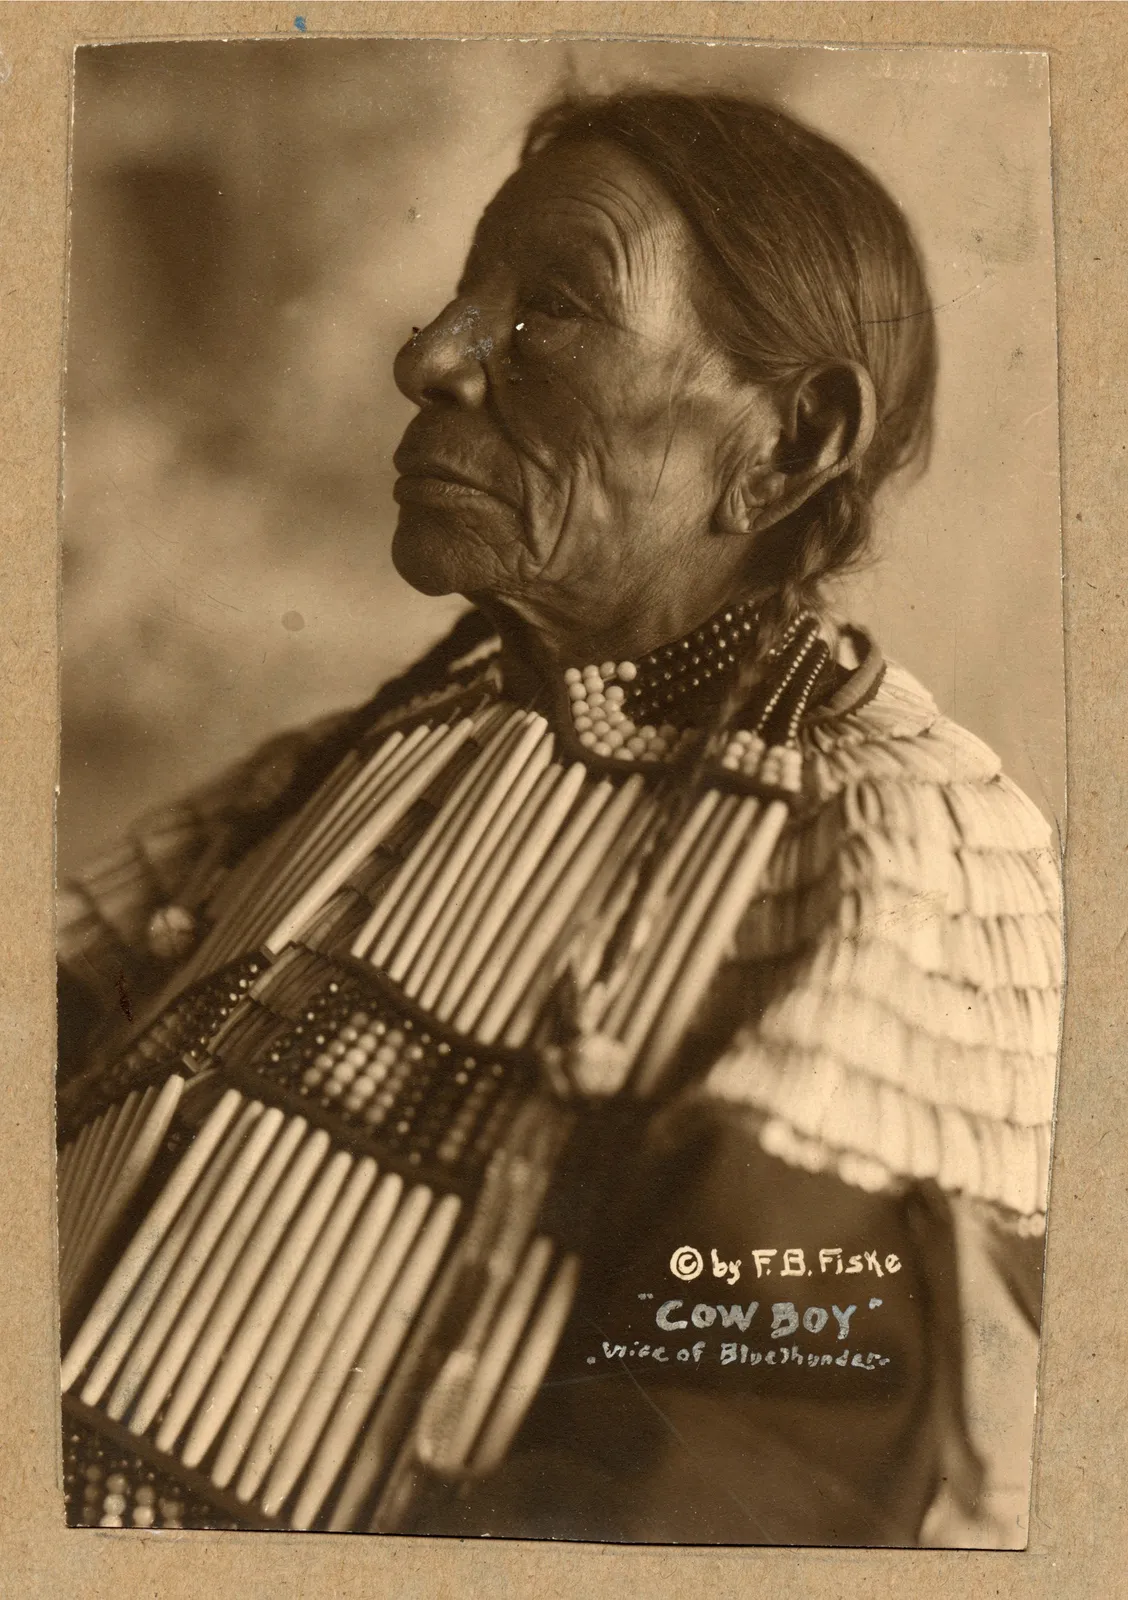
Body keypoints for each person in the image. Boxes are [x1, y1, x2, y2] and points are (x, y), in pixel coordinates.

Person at [56, 91, 1061, 1547]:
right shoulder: (367, 749)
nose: (428, 359)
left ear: (788, 443)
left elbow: (739, 1473)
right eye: (459, 298)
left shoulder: (893, 841)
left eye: (548, 317)